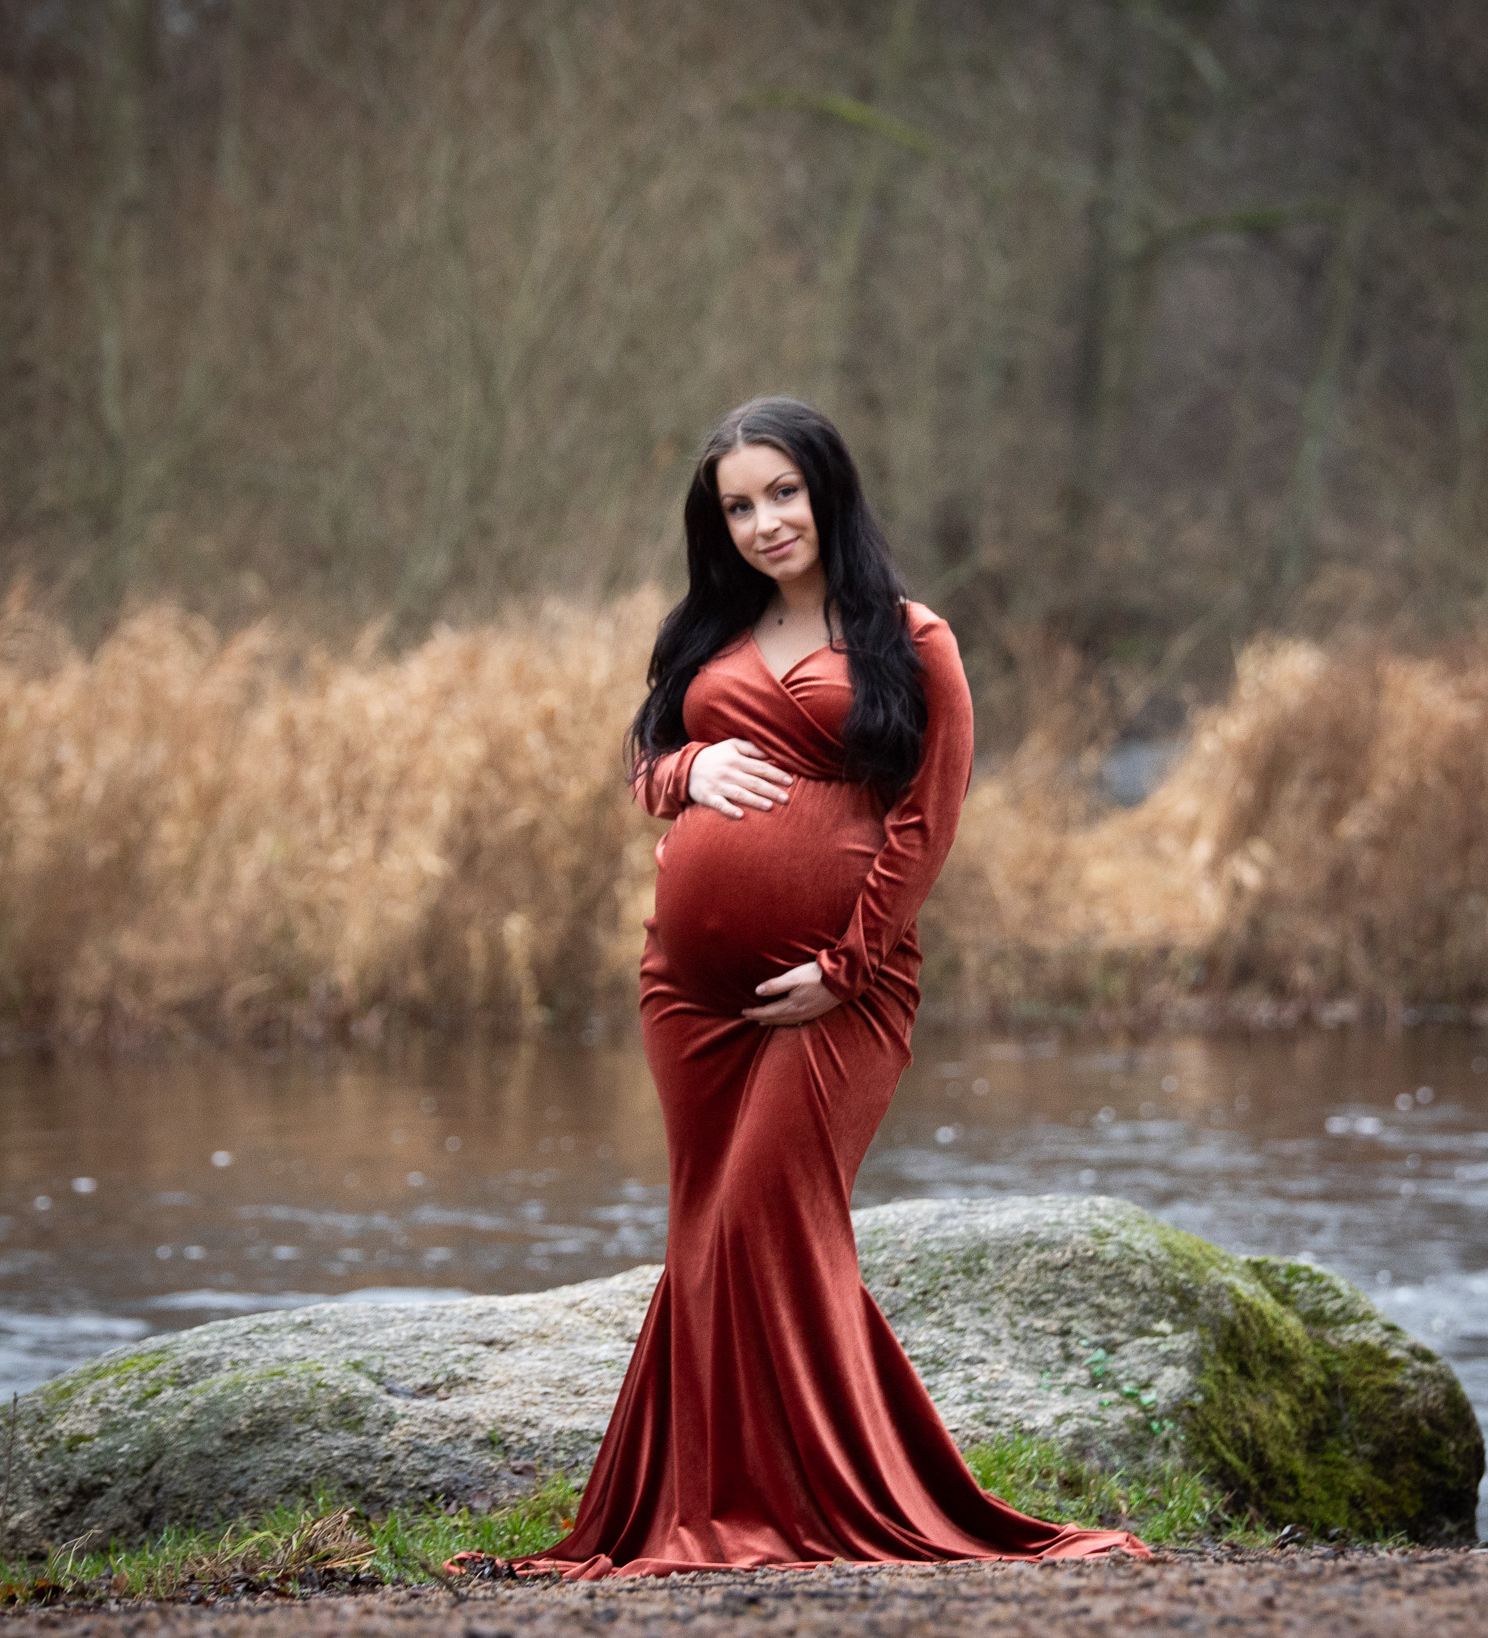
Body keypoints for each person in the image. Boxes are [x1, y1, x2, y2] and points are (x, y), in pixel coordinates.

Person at [485, 397, 1149, 1578]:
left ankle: (829, 1497)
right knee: (708, 1233)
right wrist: (688, 763)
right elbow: (646, 768)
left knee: (760, 1219)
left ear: (827, 490)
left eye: (780, 493)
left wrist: (842, 969)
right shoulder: (704, 631)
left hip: (843, 995)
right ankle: (705, 1504)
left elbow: (924, 824)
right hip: (686, 996)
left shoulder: (910, 639)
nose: (761, 522)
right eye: (737, 506)